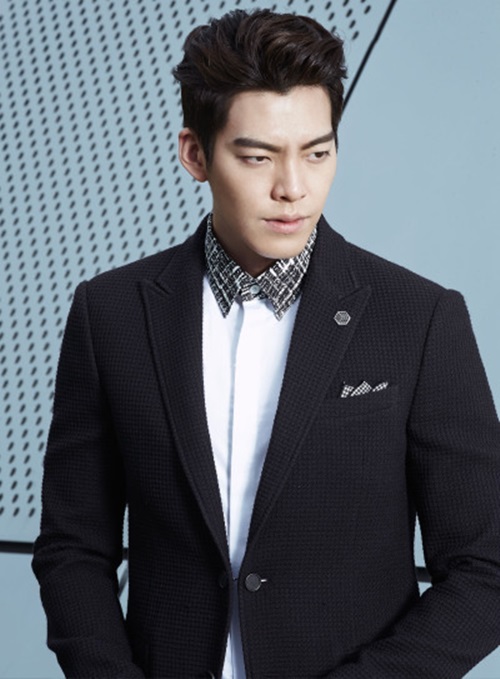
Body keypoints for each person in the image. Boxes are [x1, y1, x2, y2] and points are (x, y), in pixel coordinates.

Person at [32, 8, 500, 679]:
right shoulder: (110, 315)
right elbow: (73, 548)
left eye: (317, 153)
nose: (293, 188)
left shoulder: (419, 319)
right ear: (195, 154)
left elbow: (487, 568)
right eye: (258, 157)